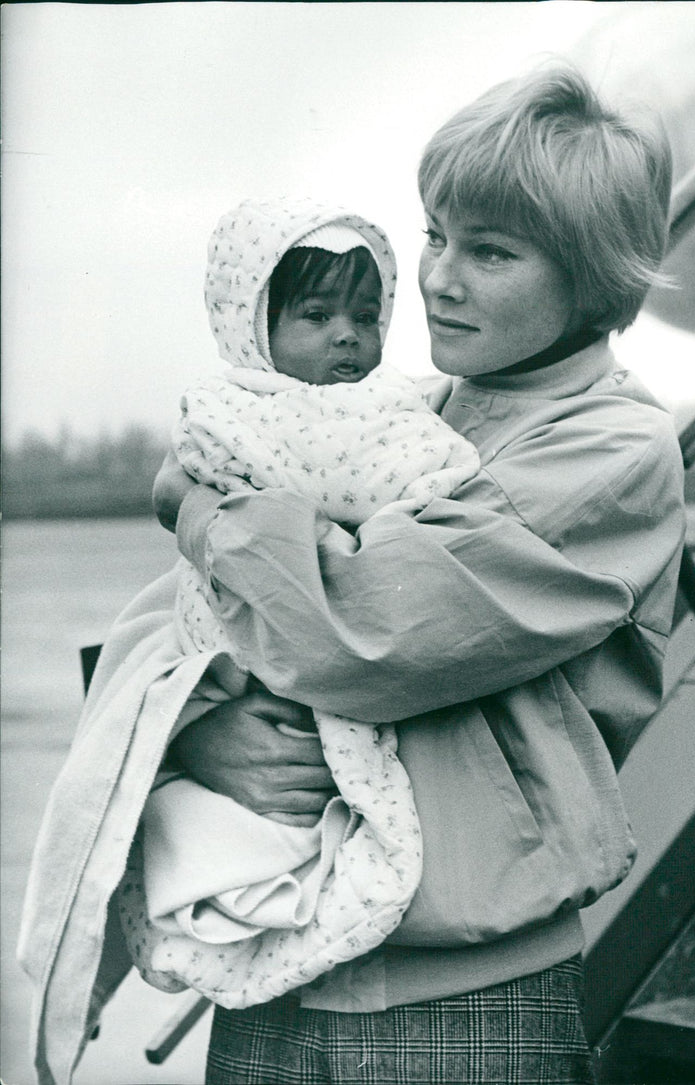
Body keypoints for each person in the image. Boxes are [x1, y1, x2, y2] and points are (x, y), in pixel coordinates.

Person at [19, 60, 685, 1085]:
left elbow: (357, 632)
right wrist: (208, 736)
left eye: (491, 251)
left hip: (464, 997)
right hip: (279, 961)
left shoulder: (606, 451)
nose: (437, 278)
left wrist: (199, 507)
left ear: (596, 277)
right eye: (433, 233)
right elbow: (167, 630)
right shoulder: (397, 417)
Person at [118, 197, 480, 1008]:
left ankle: (245, 903)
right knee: (301, 790)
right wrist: (449, 472)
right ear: (253, 326)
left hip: (290, 638)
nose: (348, 335)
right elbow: (393, 471)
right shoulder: (259, 414)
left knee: (296, 810)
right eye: (315, 314)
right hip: (258, 643)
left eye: (364, 312)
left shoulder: (346, 403)